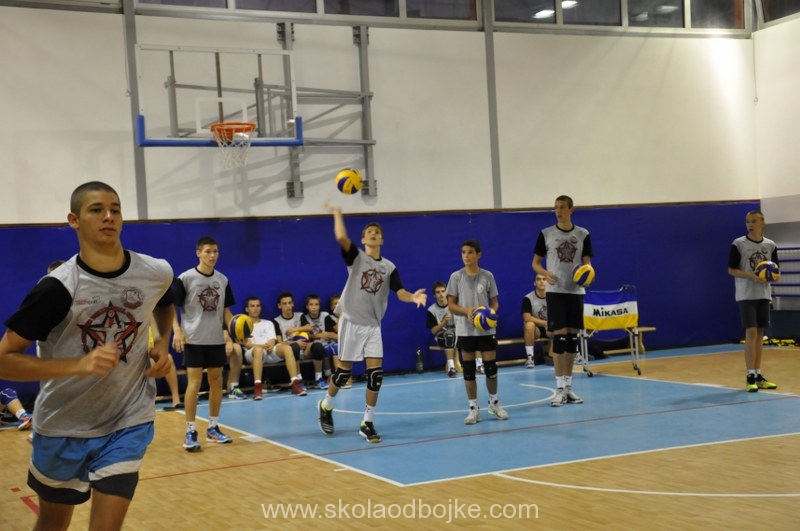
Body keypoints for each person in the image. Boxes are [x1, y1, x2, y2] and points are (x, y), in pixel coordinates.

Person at [0, 181, 174, 530]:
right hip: (64, 425)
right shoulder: (57, 288)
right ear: (74, 220)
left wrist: (163, 341)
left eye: (115, 209)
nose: (109, 216)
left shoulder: (155, 272)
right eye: (96, 210)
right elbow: (5, 358)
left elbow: (167, 299)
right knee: (53, 524)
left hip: (128, 420)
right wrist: (77, 365)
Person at [317, 204, 427, 443]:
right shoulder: (357, 258)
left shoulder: (389, 267)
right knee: (342, 373)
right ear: (363, 239)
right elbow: (341, 238)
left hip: (373, 325)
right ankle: (326, 405)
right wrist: (337, 213)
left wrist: (413, 298)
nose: (374, 234)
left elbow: (400, 292)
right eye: (369, 232)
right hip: (351, 321)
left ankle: (367, 422)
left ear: (382, 240)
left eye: (377, 232)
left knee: (375, 375)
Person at [172, 236, 236, 451]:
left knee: (217, 382)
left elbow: (226, 312)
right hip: (193, 339)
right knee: (194, 383)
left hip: (216, 339)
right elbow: (171, 307)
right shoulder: (185, 278)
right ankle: (190, 431)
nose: (212, 255)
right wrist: (177, 330)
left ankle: (213, 428)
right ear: (198, 253)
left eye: (215, 251)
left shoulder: (223, 280)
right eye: (208, 251)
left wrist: (234, 330)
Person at [532, 195, 593, 407]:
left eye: (562, 207)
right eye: (556, 207)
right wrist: (545, 273)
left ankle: (568, 386)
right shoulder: (546, 233)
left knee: (571, 338)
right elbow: (535, 263)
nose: (558, 211)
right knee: (559, 337)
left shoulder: (583, 234)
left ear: (571, 209)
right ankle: (558, 388)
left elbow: (587, 264)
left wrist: (588, 275)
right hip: (556, 291)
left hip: (575, 291)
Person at [447, 239, 509, 424]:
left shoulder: (487, 276)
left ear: (478, 254)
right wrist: (467, 311)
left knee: (490, 368)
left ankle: (494, 403)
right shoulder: (456, 277)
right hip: (465, 330)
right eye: (463, 252)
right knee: (468, 370)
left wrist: (491, 313)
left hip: (485, 330)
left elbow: (495, 302)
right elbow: (451, 304)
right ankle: (473, 408)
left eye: (470, 252)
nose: (466, 256)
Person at [728, 210, 780, 392]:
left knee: (760, 334)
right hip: (746, 294)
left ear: (762, 223)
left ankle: (758, 375)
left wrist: (772, 276)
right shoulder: (739, 244)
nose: (750, 224)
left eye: (753, 221)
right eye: (747, 221)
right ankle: (749, 375)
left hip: (764, 294)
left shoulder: (770, 245)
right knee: (750, 331)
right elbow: (731, 270)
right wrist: (751, 275)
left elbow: (776, 271)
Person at [242, 296, 307, 399]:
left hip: (269, 351)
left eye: (258, 306)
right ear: (247, 309)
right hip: (252, 353)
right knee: (258, 350)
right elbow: (248, 344)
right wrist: (263, 346)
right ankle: (258, 387)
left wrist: (271, 345)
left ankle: (295, 383)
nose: (255, 308)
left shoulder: (268, 323)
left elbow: (273, 340)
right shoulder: (243, 325)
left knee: (287, 348)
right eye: (252, 306)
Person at [273, 291, 315, 390]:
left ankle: (319, 378)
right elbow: (279, 342)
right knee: (294, 347)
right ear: (279, 306)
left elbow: (309, 328)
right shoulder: (276, 321)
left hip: (305, 347)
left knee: (318, 346)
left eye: (289, 303)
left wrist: (295, 329)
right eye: (284, 303)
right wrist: (295, 343)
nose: (288, 306)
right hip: (289, 348)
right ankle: (299, 379)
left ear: (293, 304)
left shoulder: (299, 316)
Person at [303, 293, 337, 389]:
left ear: (319, 306)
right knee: (320, 346)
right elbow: (306, 336)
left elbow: (332, 331)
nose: (314, 307)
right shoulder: (304, 318)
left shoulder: (325, 315)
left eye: (316, 304)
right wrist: (317, 335)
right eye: (311, 305)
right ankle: (323, 376)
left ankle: (332, 375)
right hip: (312, 346)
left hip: (326, 343)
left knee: (330, 346)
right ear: (307, 306)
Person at [427, 281, 459, 377]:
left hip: (457, 333)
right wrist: (444, 322)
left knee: (474, 332)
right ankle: (451, 367)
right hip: (441, 335)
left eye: (443, 291)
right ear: (434, 295)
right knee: (449, 335)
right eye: (438, 292)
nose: (441, 294)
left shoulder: (454, 305)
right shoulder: (431, 310)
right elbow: (433, 331)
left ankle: (479, 364)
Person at [522, 273, 550, 368]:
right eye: (538, 279)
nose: (541, 281)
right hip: (537, 329)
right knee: (529, 325)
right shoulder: (528, 298)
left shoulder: (553, 297)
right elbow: (527, 317)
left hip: (550, 327)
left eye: (544, 279)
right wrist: (545, 323)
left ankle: (573, 354)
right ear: (535, 283)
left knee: (565, 324)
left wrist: (551, 324)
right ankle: (530, 358)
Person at [327, 294, 352, 389]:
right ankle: (342, 378)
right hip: (335, 345)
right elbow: (338, 330)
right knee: (336, 347)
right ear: (331, 307)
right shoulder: (329, 318)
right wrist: (340, 316)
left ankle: (346, 378)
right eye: (335, 304)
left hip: (348, 343)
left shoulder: (349, 317)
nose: (338, 305)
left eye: (340, 303)